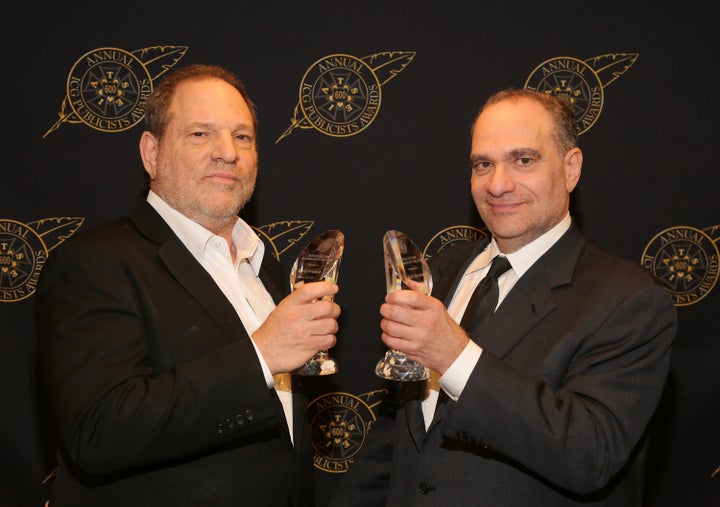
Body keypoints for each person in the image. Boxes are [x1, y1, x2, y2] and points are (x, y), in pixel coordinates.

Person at [330, 89, 677, 506]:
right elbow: (396, 440)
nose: (498, 184)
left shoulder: (627, 301)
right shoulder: (439, 273)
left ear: (571, 169)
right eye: (483, 164)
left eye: (523, 160)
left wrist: (454, 355)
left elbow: (590, 453)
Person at [35, 64, 341, 507]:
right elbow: (99, 432)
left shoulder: (264, 268)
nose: (227, 152)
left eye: (243, 137)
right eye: (200, 134)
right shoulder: (94, 262)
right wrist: (262, 355)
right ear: (151, 153)